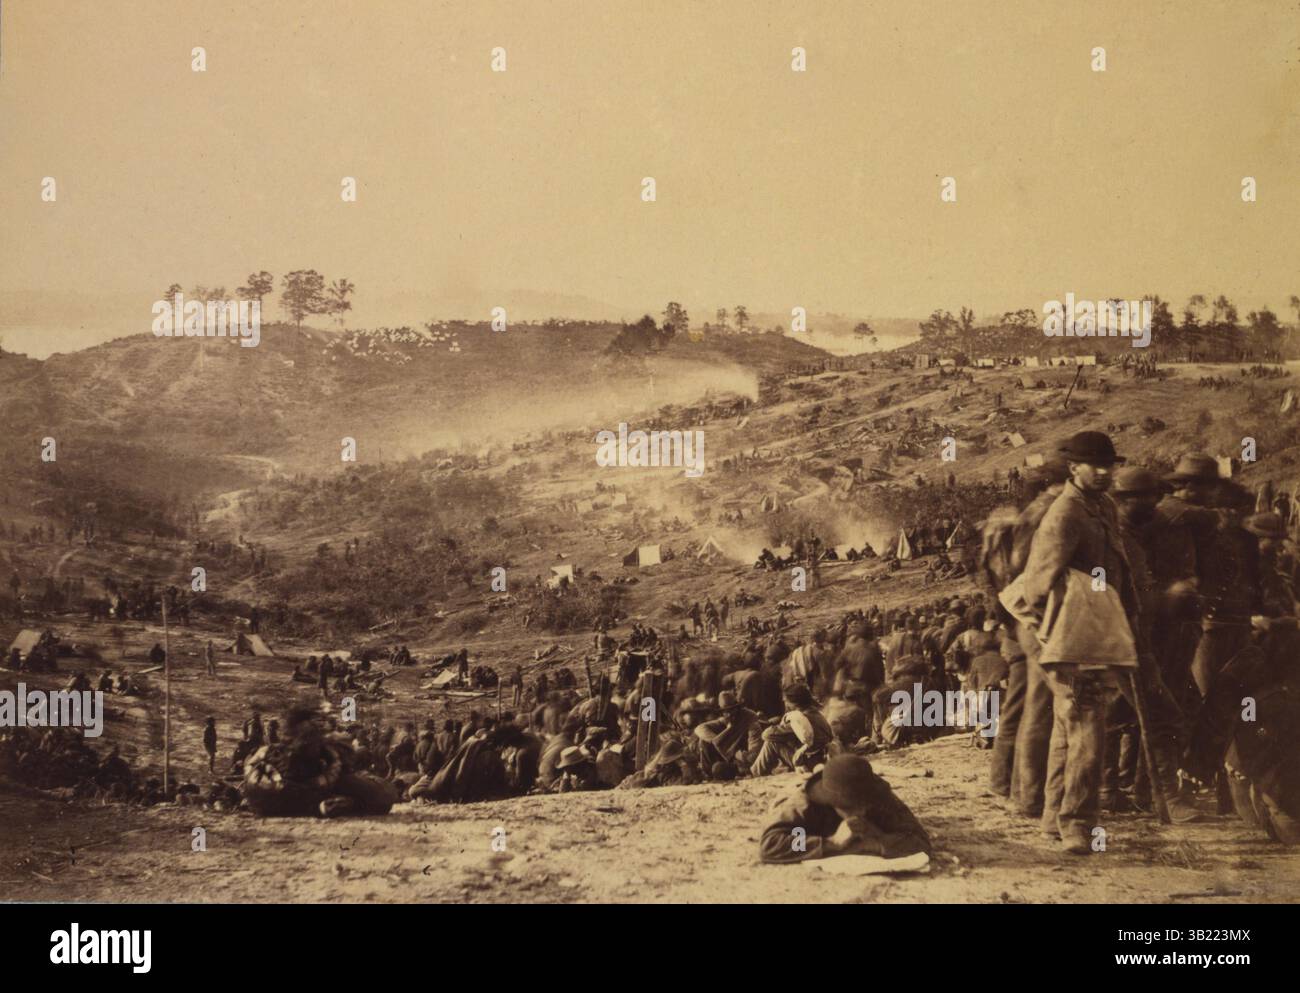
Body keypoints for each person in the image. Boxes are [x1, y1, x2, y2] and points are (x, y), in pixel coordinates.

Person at [1020, 432, 1196, 855]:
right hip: (1074, 637)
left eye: (1108, 465)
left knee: (1070, 730)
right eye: (1093, 465)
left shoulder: (1099, 507)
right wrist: (1055, 635)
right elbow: (1036, 584)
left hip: (1100, 632)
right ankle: (1078, 823)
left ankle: (1053, 817)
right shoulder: (1065, 515)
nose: (1103, 472)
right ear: (1073, 468)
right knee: (1087, 731)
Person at [759, 755, 931, 864]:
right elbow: (771, 844)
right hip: (791, 794)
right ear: (830, 801)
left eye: (863, 805)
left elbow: (918, 839)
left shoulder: (878, 796)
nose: (860, 813)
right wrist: (830, 843)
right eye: (849, 807)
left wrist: (878, 841)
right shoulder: (806, 805)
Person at [750, 683, 833, 777]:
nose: (784, 703)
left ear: (794, 703)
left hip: (808, 762)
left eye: (786, 701)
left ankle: (756, 773)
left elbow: (766, 735)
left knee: (771, 743)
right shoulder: (817, 713)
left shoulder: (800, 719)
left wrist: (780, 725)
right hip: (822, 758)